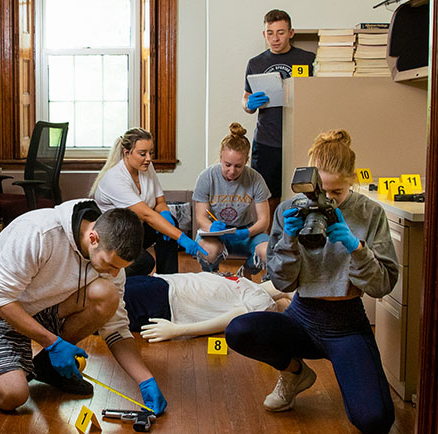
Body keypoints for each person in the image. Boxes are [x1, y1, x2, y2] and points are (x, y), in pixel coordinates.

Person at [224, 130, 399, 434]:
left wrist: (356, 249)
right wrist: (289, 240)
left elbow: (382, 285)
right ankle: (294, 373)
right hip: (302, 317)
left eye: (337, 193)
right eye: (320, 193)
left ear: (352, 181)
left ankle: (342, 374)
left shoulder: (370, 213)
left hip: (347, 324)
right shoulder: (290, 209)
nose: (327, 202)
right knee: (239, 330)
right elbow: (281, 281)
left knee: (376, 422)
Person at [0, 199, 168, 414]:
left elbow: (116, 328)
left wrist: (145, 380)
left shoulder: (111, 262)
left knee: (106, 295)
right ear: (93, 238)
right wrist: (52, 342)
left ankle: (47, 367)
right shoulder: (39, 233)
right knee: (13, 395)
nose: (113, 273)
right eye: (110, 265)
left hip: (39, 305)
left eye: (119, 268)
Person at [91, 127, 211, 276]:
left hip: (134, 229)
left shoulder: (146, 167)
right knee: (144, 262)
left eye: (150, 152)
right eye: (142, 154)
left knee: (170, 221)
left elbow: (159, 202)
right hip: (114, 238)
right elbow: (147, 215)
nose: (148, 158)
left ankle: (169, 280)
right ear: (126, 153)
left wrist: (166, 214)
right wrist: (183, 238)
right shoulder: (115, 179)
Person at [243, 9, 315, 204]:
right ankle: (269, 236)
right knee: (267, 199)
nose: (275, 38)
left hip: (300, 140)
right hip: (267, 141)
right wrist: (249, 104)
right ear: (264, 34)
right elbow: (246, 101)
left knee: (302, 197)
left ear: (291, 33)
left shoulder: (308, 60)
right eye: (270, 33)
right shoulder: (255, 63)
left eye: (281, 32)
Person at [191, 122, 273, 275]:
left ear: (246, 161)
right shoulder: (207, 177)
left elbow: (264, 221)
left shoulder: (255, 179)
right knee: (208, 251)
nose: (232, 171)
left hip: (245, 231)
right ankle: (211, 276)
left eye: (238, 166)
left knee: (269, 252)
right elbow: (201, 218)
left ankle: (247, 270)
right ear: (221, 157)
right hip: (215, 232)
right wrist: (212, 228)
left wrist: (246, 233)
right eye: (227, 164)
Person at [123, 272, 290, 342]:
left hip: (168, 302)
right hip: (163, 282)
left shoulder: (262, 303)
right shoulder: (252, 285)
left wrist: (177, 330)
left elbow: (228, 321)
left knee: (102, 311)